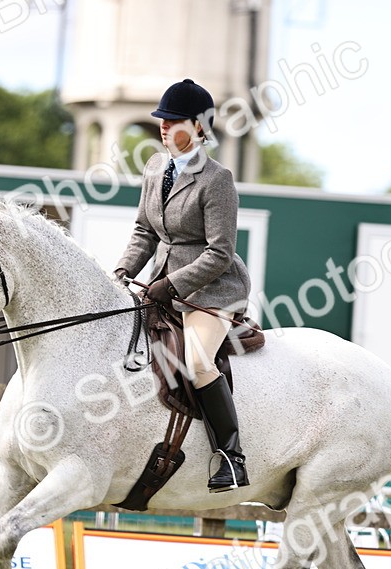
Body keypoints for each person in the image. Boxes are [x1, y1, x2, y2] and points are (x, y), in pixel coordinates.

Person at [114, 78, 252, 492]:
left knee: (195, 363)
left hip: (212, 290)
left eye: (173, 119)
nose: (163, 125)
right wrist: (121, 271)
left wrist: (172, 285)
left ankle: (231, 457)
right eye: (162, 118)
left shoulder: (218, 180)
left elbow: (220, 252)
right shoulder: (156, 167)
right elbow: (144, 230)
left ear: (197, 125)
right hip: (161, 281)